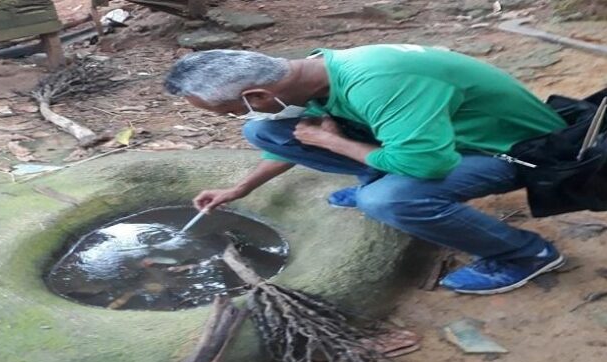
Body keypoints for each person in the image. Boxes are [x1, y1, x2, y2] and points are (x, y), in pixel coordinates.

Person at [163, 44, 568, 295]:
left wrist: (334, 142)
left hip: (513, 151)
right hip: (438, 139)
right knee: (266, 131)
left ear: (256, 93)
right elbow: (300, 138)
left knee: (389, 200)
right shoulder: (314, 74)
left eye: (230, 110)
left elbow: (426, 162)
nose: (234, 116)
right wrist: (240, 189)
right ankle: (378, 173)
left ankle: (525, 255)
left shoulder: (380, 82)